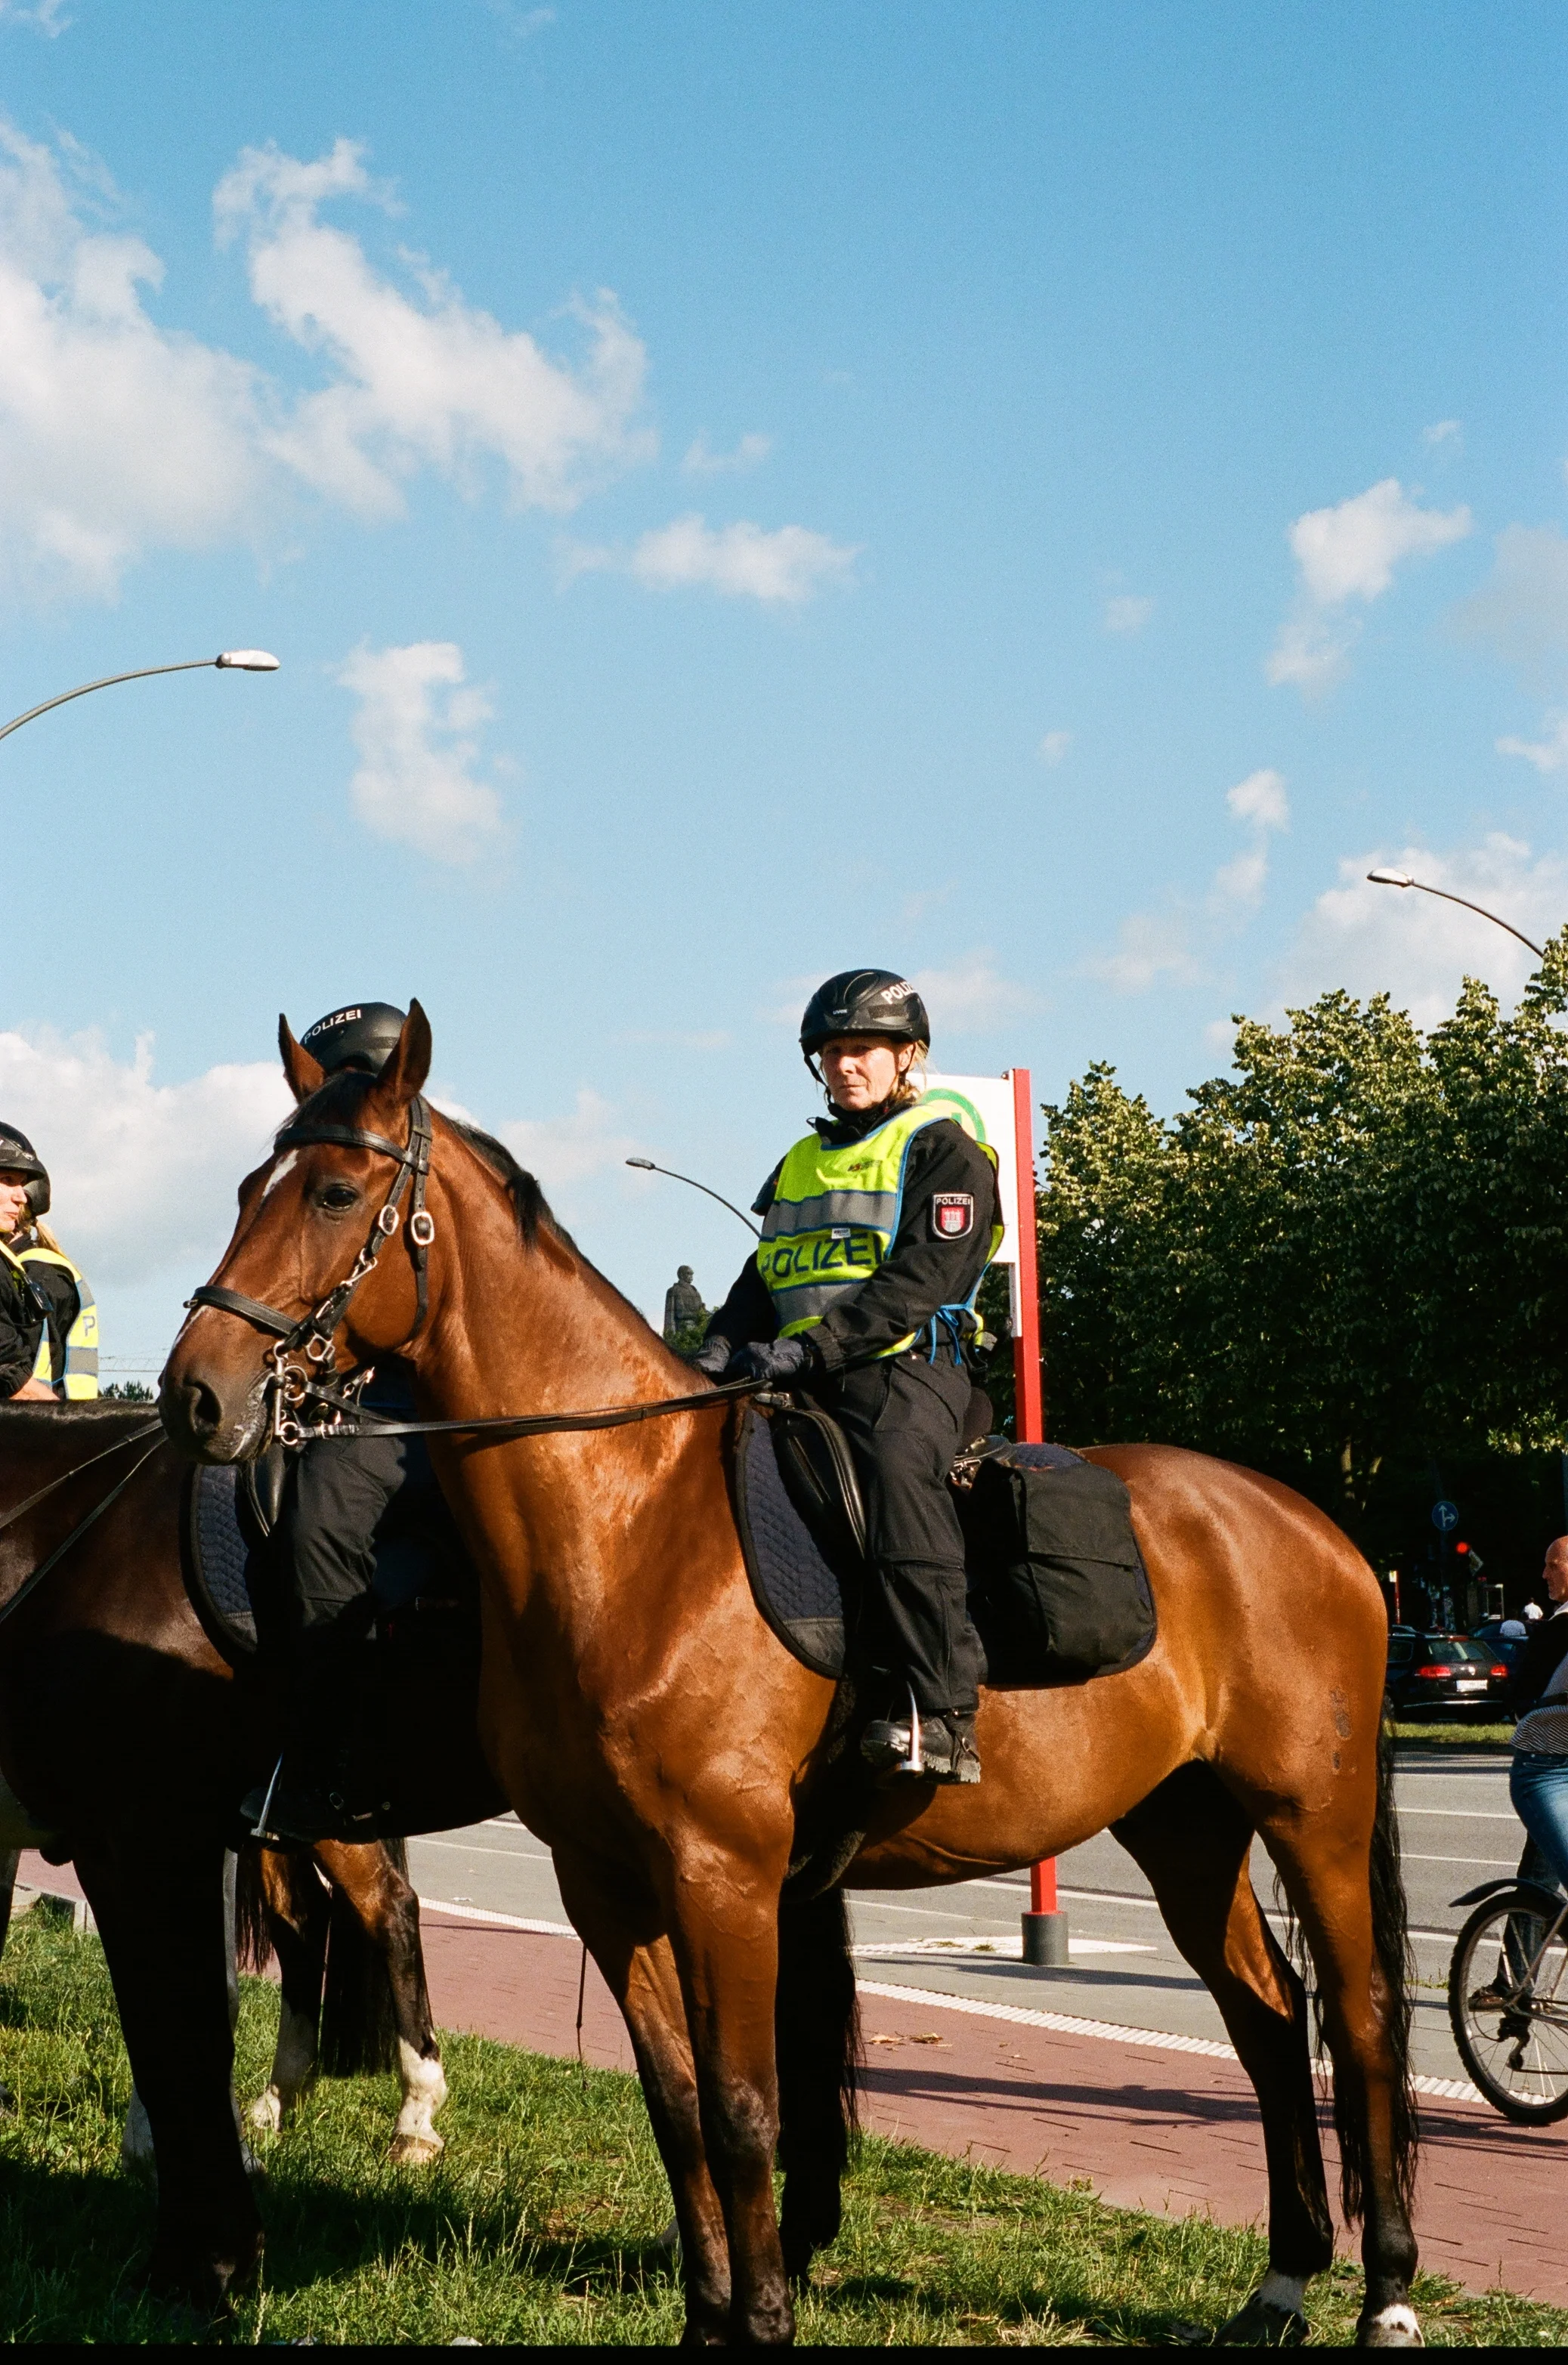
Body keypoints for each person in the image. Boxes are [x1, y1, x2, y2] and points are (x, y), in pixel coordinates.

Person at [694, 968, 1001, 1785]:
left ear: (907, 1057)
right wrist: (712, 1352)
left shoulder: (942, 1149)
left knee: (897, 1470)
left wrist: (815, 1348)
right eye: (831, 1051)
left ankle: (941, 1711)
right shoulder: (798, 1162)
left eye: (862, 1049)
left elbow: (917, 1280)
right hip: (798, 1374)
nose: (844, 1065)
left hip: (903, 1371)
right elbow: (761, 1280)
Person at [250, 1001, 454, 1841]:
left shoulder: (424, 1167)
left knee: (320, 1524)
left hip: (416, 1408)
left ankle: (326, 1769)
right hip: (347, 1397)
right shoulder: (318, 1162)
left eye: (344, 1085)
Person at [0, 1124, 98, 1403]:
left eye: (21, 1184)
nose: (19, 1197)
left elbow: (11, 1374)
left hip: (40, 1431)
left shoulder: (41, 1272)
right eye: (8, 1179)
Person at [1507, 1536, 1568, 1897]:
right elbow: (1519, 1698)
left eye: (1552, 1564)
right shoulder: (1561, 1628)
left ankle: (1518, 1954)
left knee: (1536, 1886)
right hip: (1547, 1769)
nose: (1544, 1574)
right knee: (1539, 1883)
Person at [663, 1265, 706, 1345]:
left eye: (692, 1274)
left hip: (697, 1332)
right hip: (683, 1330)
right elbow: (673, 1315)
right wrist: (670, 1338)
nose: (691, 1276)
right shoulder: (674, 1291)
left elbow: (702, 1314)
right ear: (681, 1275)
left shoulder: (695, 1292)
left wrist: (703, 1312)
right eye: (689, 1274)